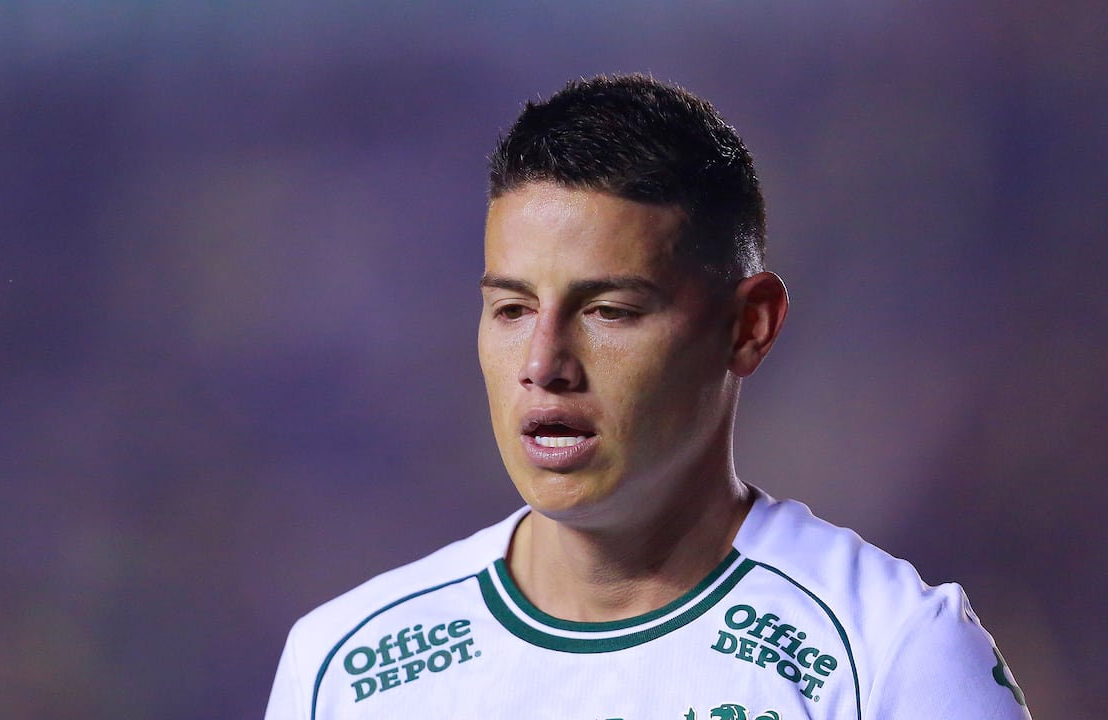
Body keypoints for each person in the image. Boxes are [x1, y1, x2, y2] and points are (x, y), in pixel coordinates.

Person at [264, 74, 1030, 719]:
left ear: (748, 327)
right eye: (513, 309)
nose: (544, 363)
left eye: (609, 311)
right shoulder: (345, 670)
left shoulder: (891, 654)